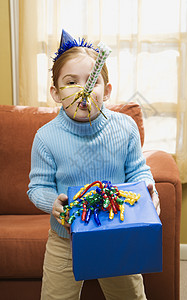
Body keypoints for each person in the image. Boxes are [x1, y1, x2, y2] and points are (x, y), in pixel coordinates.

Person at [27, 30, 160, 300]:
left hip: (118, 233)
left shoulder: (125, 127)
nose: (83, 90)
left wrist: (148, 186)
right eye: (71, 82)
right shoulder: (45, 137)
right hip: (66, 241)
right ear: (55, 93)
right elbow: (37, 187)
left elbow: (138, 170)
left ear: (106, 90)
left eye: (92, 81)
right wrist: (52, 201)